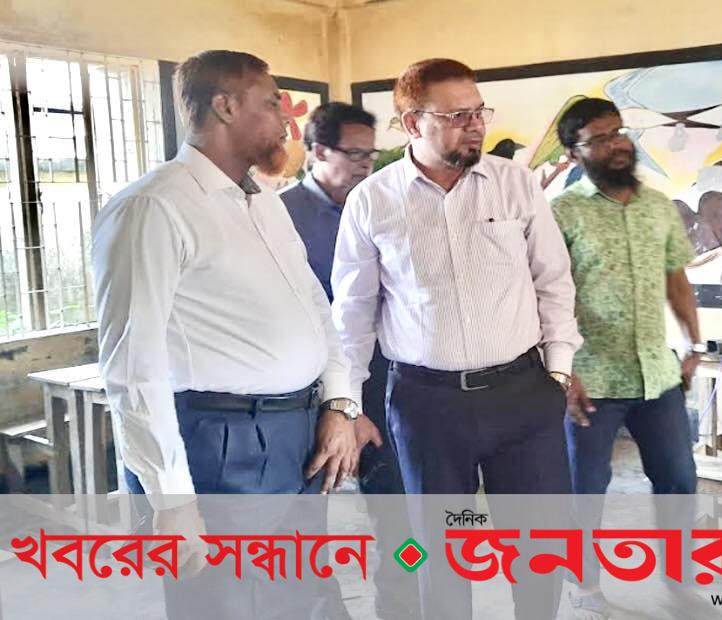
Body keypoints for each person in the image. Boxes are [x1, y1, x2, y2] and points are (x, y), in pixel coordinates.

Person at [92, 49, 361, 619]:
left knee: (301, 596)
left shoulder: (262, 201)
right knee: (231, 601)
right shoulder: (153, 207)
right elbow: (132, 364)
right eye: (271, 103)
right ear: (225, 106)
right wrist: (171, 501)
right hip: (219, 444)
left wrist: (338, 403)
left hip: (295, 433)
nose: (287, 120)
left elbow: (316, 308)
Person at [331, 57, 582, 620]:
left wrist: (558, 372)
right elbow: (352, 314)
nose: (475, 125)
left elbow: (553, 281)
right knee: (441, 556)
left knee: (538, 551)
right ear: (411, 123)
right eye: (456, 115)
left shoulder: (515, 184)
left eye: (478, 112)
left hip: (522, 395)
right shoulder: (373, 201)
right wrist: (348, 404)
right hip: (427, 405)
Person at [551, 97, 701, 619]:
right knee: (584, 492)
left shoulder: (658, 206)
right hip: (590, 380)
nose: (617, 144)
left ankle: (679, 583)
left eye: (618, 132)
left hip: (657, 376)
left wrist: (695, 343)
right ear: (574, 153)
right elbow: (547, 298)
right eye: (599, 138)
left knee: (678, 481)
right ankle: (584, 587)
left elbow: (676, 278)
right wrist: (563, 373)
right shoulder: (562, 213)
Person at [280, 101, 420, 620]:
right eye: (355, 154)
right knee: (305, 525)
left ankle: (402, 610)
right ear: (318, 151)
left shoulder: (386, 204)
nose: (366, 165)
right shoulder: (280, 217)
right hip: (305, 394)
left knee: (401, 516)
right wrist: (340, 405)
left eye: (371, 154)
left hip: (385, 384)